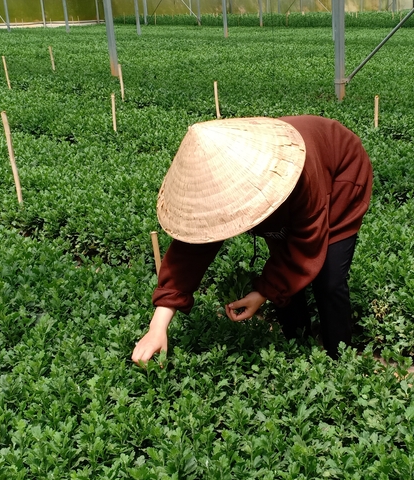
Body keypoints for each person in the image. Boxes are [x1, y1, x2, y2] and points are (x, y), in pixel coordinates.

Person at [131, 115, 373, 363]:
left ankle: (340, 359)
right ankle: (295, 349)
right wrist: (157, 326)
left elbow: (305, 244)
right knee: (284, 267)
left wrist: (263, 292)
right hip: (298, 188)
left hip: (340, 174)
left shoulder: (293, 174)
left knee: (329, 281)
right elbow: (191, 251)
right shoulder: (221, 181)